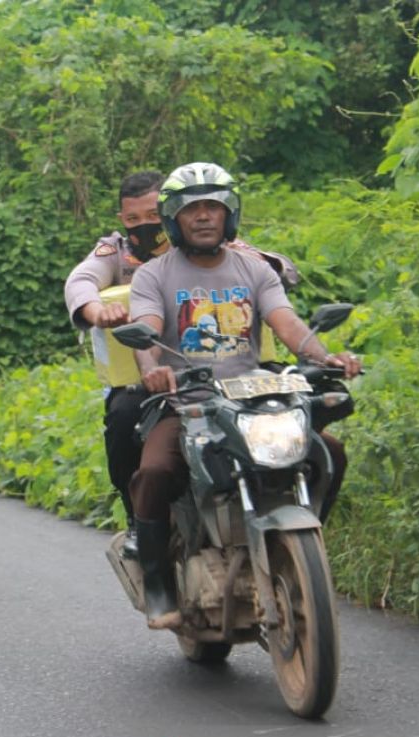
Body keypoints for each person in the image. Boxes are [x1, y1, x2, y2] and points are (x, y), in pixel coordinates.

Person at [126, 162, 361, 629]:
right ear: (174, 219)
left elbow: (286, 321)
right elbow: (149, 330)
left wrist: (324, 355)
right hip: (188, 401)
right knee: (153, 471)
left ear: (229, 213)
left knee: (327, 452)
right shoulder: (153, 275)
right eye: (193, 209)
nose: (204, 217)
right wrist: (152, 369)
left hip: (248, 395)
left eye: (214, 206)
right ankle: (156, 580)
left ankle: (299, 549)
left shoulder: (254, 269)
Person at [64, 171, 171, 551]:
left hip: (214, 362)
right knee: (124, 417)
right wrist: (98, 310)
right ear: (121, 221)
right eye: (133, 220)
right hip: (141, 376)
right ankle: (138, 515)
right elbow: (80, 281)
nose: (146, 227)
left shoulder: (197, 242)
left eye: (155, 215)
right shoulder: (116, 254)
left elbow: (264, 263)